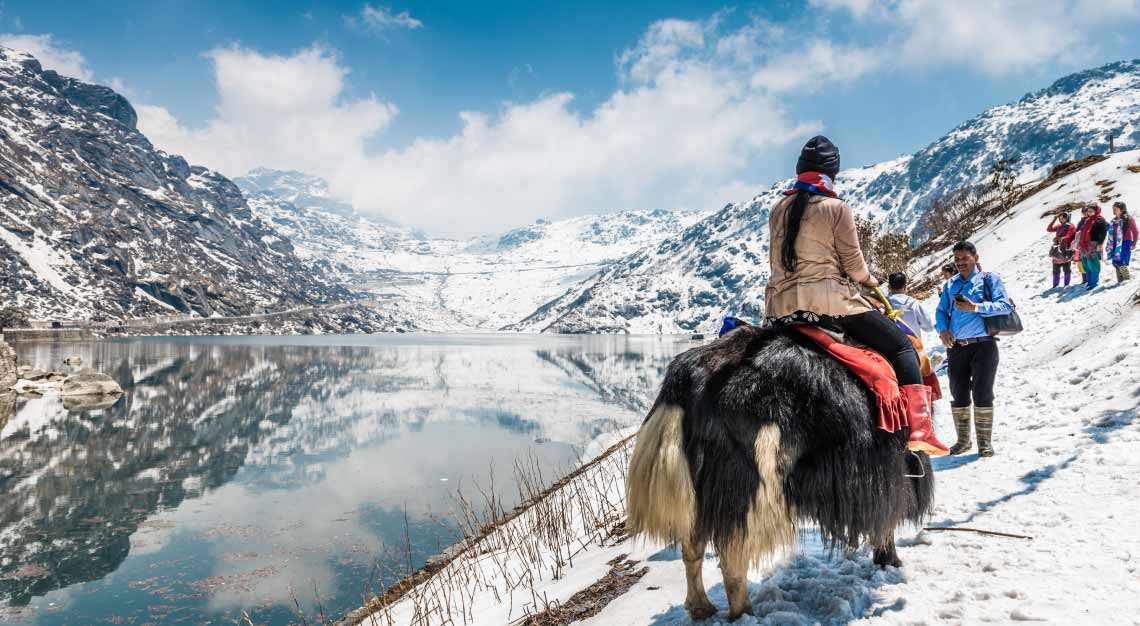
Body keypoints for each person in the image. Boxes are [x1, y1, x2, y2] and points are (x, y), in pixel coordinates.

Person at [765, 135, 948, 455]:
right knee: (903, 346)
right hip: (830, 305)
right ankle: (920, 430)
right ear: (831, 172)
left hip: (781, 308)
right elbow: (854, 267)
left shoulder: (779, 208)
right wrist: (871, 281)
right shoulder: (836, 208)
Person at [935, 241, 1012, 457]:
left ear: (975, 257)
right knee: (958, 393)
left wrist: (976, 307)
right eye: (957, 259)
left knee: (982, 393)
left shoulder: (989, 279)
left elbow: (1004, 305)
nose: (960, 263)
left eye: (964, 258)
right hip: (957, 347)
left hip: (984, 345)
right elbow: (941, 312)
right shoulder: (951, 285)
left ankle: (985, 443)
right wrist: (942, 330)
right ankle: (963, 441)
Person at [1075, 203, 1108, 289]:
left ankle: (1093, 283)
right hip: (1084, 245)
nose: (1089, 213)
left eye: (1091, 211)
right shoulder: (1087, 220)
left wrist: (1100, 244)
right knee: (1085, 263)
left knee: (1092, 263)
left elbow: (1103, 233)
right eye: (1088, 211)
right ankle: (1089, 282)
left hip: (1093, 244)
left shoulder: (1100, 220)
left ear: (1096, 211)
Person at [1107, 201, 1137, 283]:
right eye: (1113, 209)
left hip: (1125, 242)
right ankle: (1120, 281)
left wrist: (1134, 243)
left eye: (1116, 209)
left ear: (1122, 209)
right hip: (1116, 244)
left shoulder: (1128, 218)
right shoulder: (1113, 220)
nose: (1114, 211)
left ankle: (1126, 280)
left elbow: (1135, 231)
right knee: (1115, 262)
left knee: (1121, 261)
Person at [1046, 212, 1077, 288]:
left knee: (1066, 268)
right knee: (1056, 268)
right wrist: (1054, 220)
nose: (1061, 219)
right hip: (1057, 248)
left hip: (1066, 249)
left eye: (1063, 218)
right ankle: (1055, 285)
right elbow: (1049, 229)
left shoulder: (1071, 226)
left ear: (1067, 218)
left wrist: (1058, 238)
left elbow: (1069, 236)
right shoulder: (1060, 226)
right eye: (1060, 218)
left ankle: (1066, 284)